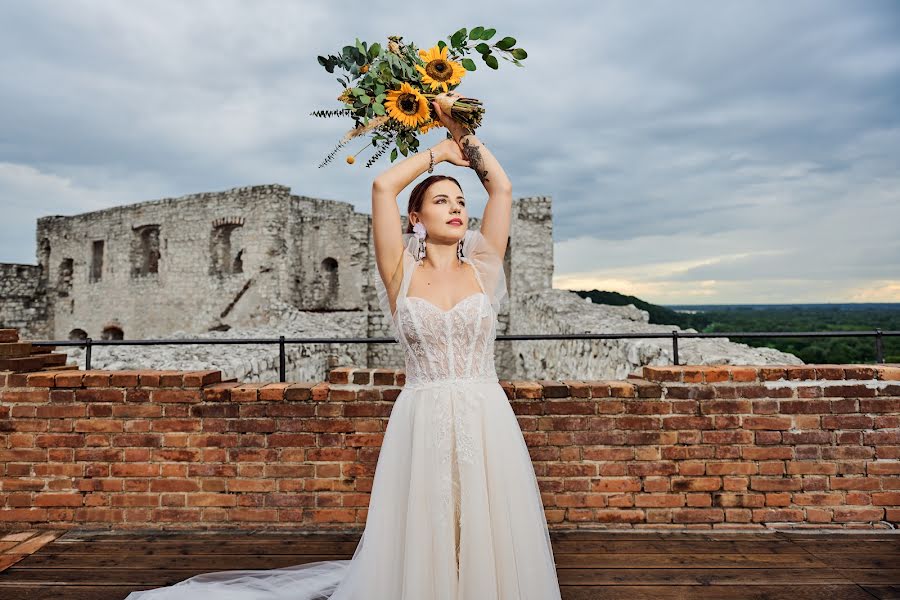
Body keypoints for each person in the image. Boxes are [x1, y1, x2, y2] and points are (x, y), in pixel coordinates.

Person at [124, 92, 562, 599]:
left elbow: (502, 188)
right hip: (422, 416)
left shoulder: (484, 268)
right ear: (415, 219)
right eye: (441, 201)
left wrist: (463, 133)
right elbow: (381, 185)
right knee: (427, 527)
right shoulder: (400, 271)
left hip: (486, 415)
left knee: (488, 527)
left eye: (461, 202)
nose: (457, 208)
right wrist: (437, 155)